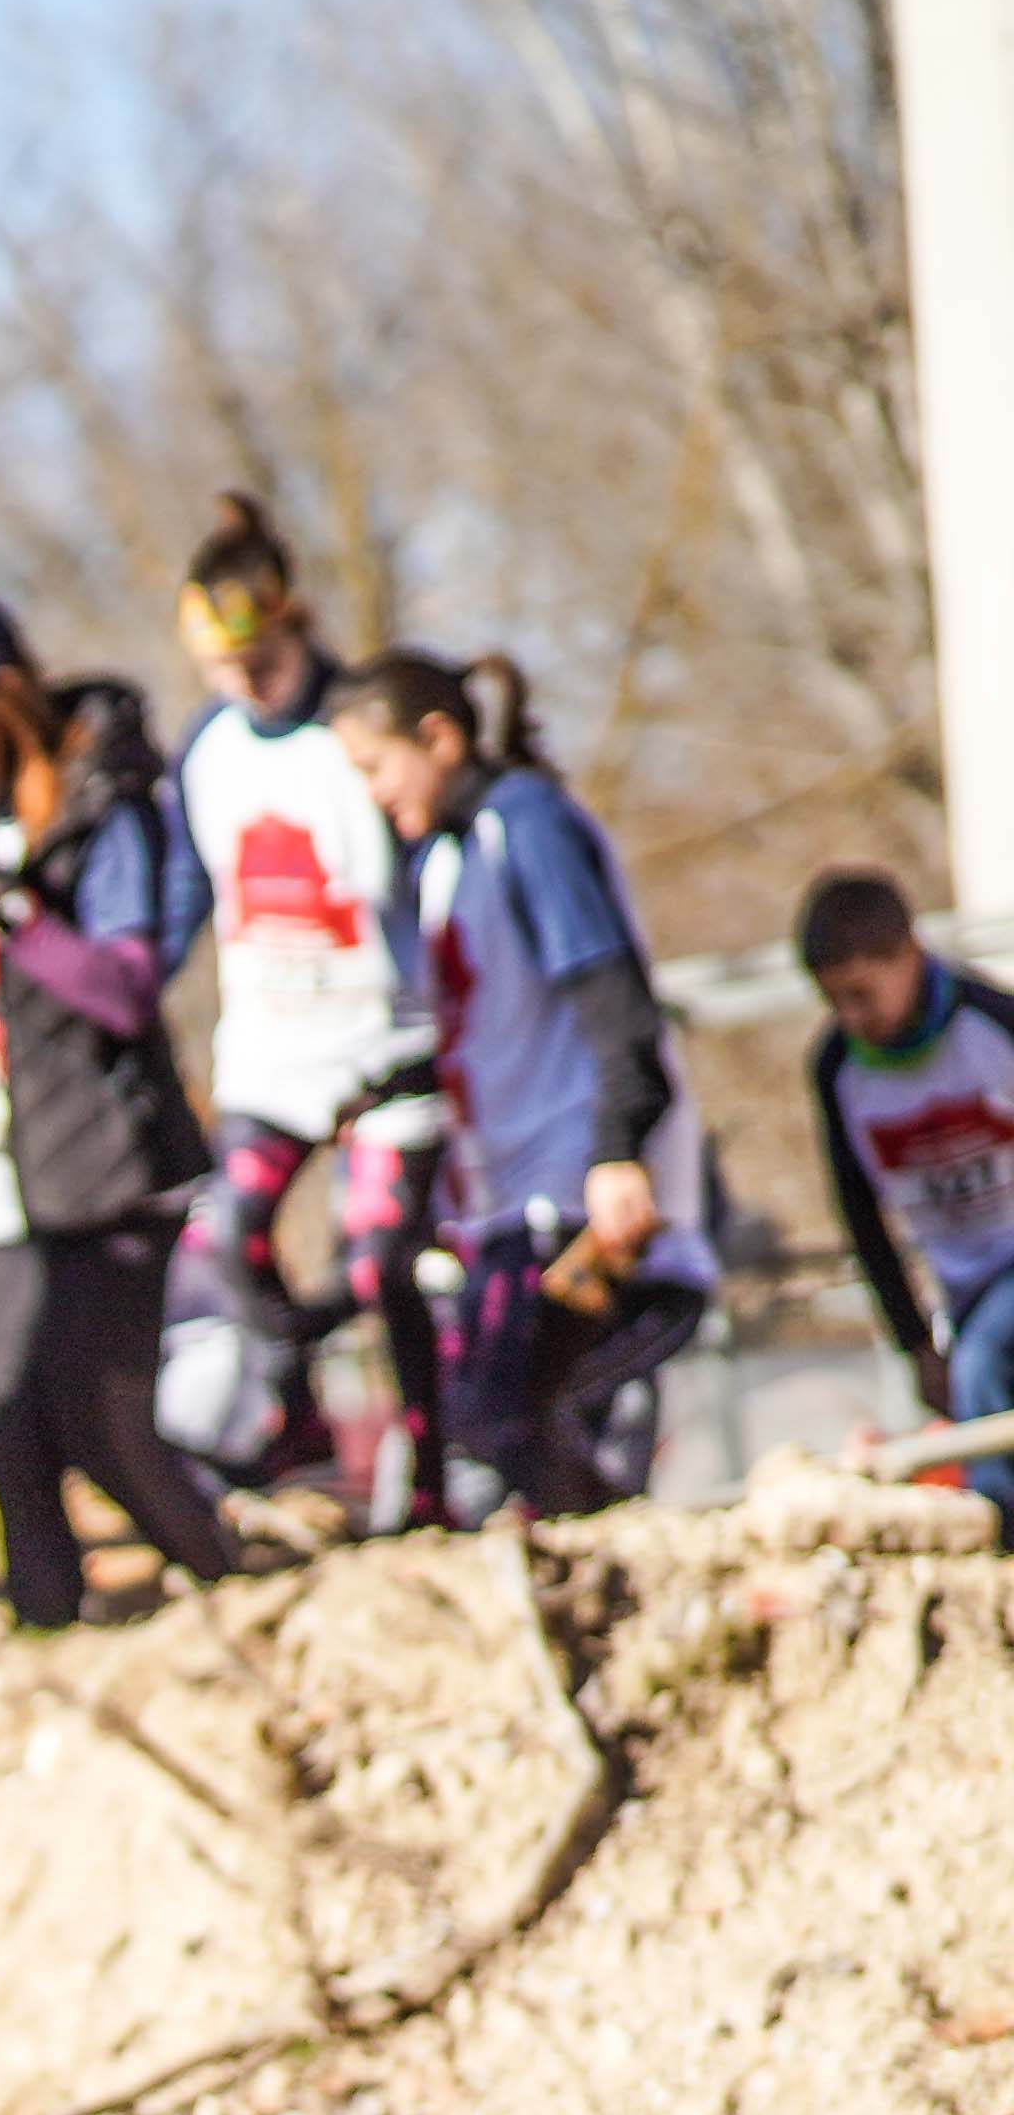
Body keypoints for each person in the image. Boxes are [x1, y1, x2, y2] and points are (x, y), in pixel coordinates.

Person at [0, 600, 241, 1631]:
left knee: (103, 1419)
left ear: (2, 703)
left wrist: (7, 904)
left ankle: (233, 1586)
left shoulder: (101, 806)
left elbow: (124, 989)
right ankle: (47, 1633)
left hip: (105, 1165)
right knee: (9, 1426)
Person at [331, 649, 714, 1522]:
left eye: (375, 766)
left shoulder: (526, 826)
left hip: (580, 1197)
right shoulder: (443, 862)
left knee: (514, 1423)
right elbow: (498, 1025)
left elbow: (613, 1000)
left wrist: (619, 1152)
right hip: (506, 1205)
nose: (372, 794)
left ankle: (621, 1596)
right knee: (496, 1429)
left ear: (438, 737)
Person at [159, 497, 441, 1504]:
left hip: (381, 1046)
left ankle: (426, 1470)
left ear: (296, 623)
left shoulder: (354, 733)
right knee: (226, 1237)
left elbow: (422, 879)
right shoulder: (208, 751)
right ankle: (299, 1422)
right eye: (223, 672)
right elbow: (186, 893)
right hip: (268, 1052)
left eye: (259, 661)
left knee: (379, 1268)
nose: (245, 686)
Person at [795, 867, 1014, 1518]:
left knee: (981, 1370)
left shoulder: (990, 1024)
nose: (852, 1016)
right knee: (967, 1389)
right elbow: (862, 1217)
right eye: (836, 1000)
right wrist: (914, 1341)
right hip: (963, 1286)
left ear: (909, 954)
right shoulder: (839, 1068)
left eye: (863, 992)